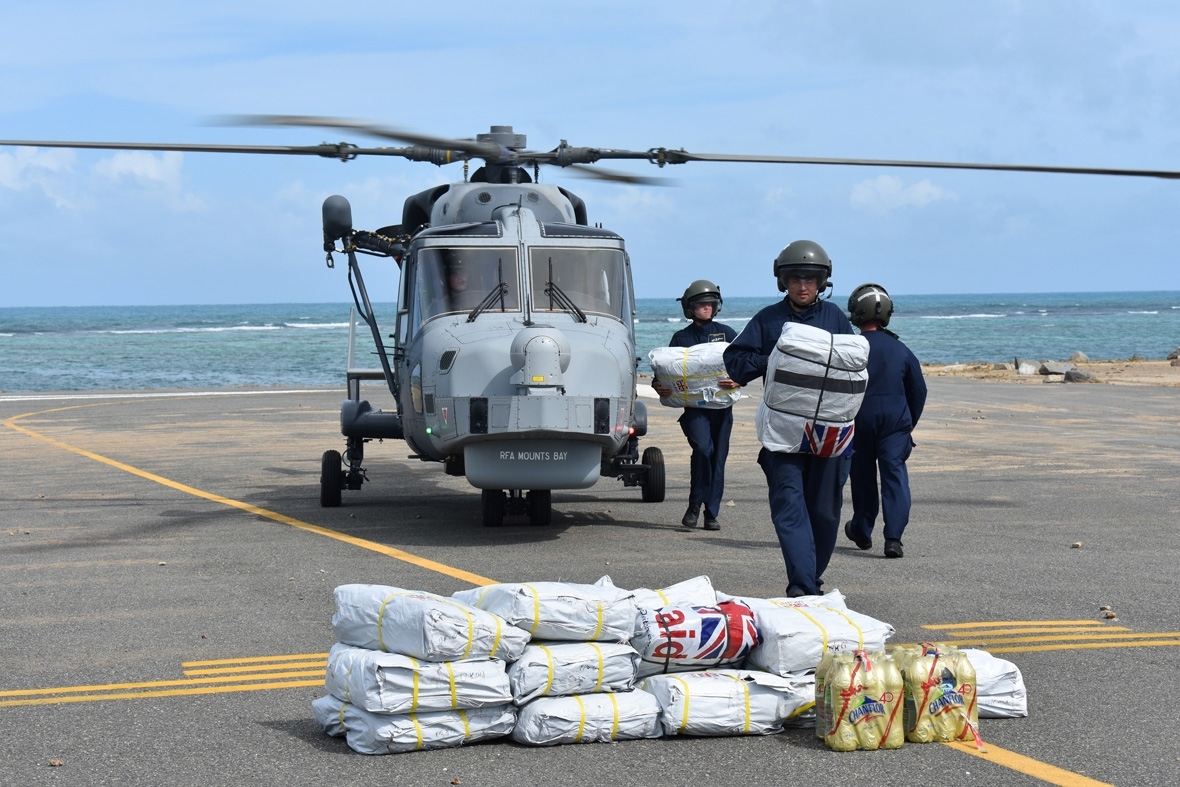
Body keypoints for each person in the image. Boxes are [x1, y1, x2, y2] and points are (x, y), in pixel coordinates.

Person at [723, 240, 854, 597]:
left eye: (811, 279)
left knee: (825, 515)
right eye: (795, 278)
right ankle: (801, 587)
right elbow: (735, 361)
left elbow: (855, 368)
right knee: (789, 510)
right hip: (783, 435)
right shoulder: (768, 319)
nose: (803, 285)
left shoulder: (836, 319)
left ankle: (811, 577)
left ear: (822, 282)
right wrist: (770, 360)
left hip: (829, 434)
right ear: (783, 281)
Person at [843, 283, 927, 559]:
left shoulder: (852, 348)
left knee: (863, 477)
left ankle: (861, 529)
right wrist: (907, 424)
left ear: (856, 313)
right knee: (894, 476)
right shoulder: (900, 349)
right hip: (894, 424)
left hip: (859, 422)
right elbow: (919, 390)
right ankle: (893, 538)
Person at [651, 280, 739, 531]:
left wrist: (738, 379)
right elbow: (666, 372)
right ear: (689, 307)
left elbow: (743, 363)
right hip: (696, 411)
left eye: (710, 303)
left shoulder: (727, 334)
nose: (707, 307)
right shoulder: (681, 337)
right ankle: (694, 505)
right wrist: (659, 385)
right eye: (701, 304)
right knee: (702, 450)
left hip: (722, 410)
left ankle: (711, 513)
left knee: (717, 459)